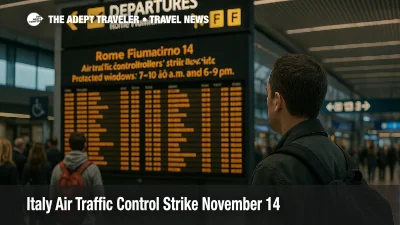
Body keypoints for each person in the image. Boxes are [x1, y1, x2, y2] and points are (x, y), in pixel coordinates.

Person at [251, 54, 348, 185]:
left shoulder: (272, 170)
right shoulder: (343, 158)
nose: (267, 100)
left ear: (277, 102)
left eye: (268, 94)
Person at [50, 132, 104, 225]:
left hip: (63, 220)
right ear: (84, 146)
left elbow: (52, 197)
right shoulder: (92, 169)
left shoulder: (57, 169)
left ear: (69, 145)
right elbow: (99, 198)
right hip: (86, 220)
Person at [21, 143, 52, 225]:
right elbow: (50, 182)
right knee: (44, 218)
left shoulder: (28, 165)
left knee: (32, 218)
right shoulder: (47, 165)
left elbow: (23, 182)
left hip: (32, 194)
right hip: (44, 194)